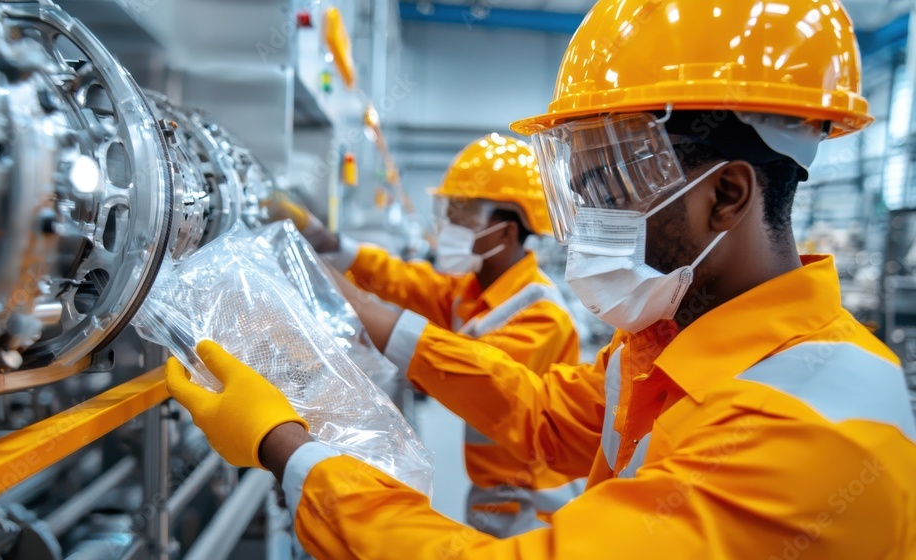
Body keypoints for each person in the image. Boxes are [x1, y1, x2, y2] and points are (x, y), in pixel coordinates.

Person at [165, 1, 916, 557]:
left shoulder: (808, 436)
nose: (585, 223)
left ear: (727, 195)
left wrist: (288, 449)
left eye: (611, 191)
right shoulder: (668, 344)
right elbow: (545, 416)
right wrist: (360, 309)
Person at [274, 134, 585, 537]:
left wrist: (350, 298)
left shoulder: (539, 315)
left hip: (540, 504)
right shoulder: (470, 291)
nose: (450, 226)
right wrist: (328, 242)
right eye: (450, 211)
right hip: (493, 488)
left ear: (506, 232)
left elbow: (477, 380)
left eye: (465, 214)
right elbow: (402, 281)